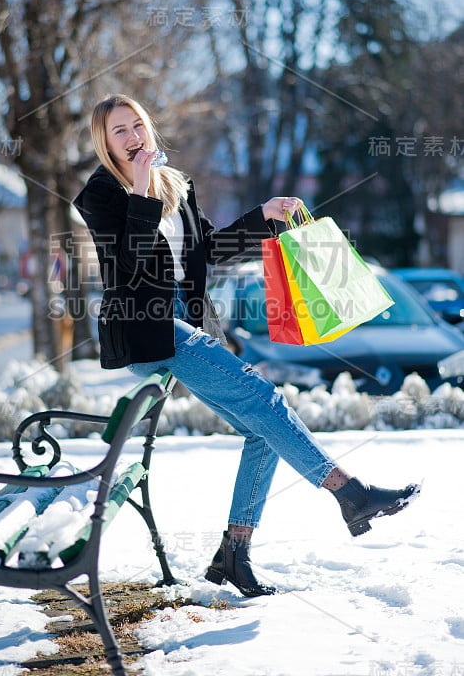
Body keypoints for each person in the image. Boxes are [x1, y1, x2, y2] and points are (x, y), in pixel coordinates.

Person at [73, 93, 420, 598]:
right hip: (145, 326)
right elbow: (130, 265)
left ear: (149, 128)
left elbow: (208, 249)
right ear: (104, 142)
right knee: (267, 399)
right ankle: (349, 491)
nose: (132, 138)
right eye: (118, 131)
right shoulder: (100, 195)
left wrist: (265, 215)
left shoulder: (176, 184)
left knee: (262, 427)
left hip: (187, 322)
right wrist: (143, 191)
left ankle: (234, 554)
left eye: (137, 126)